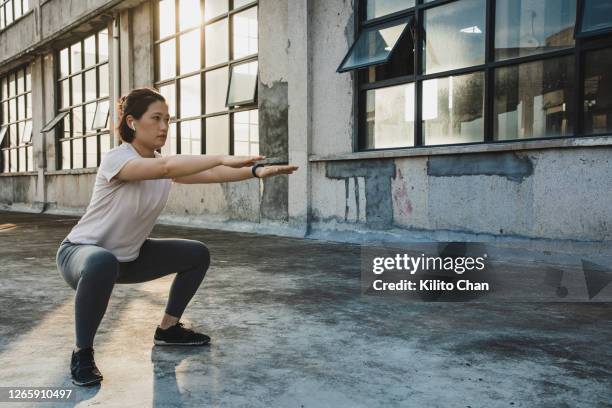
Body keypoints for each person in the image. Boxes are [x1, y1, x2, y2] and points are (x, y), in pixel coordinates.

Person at [55, 87, 298, 386]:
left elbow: (214, 175)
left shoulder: (161, 166)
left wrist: (256, 172)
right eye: (155, 118)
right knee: (102, 260)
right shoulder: (117, 160)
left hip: (127, 259)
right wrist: (222, 155)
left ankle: (168, 330)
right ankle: (82, 352)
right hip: (81, 255)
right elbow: (168, 166)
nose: (163, 127)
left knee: (196, 253)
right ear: (132, 122)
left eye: (167, 120)